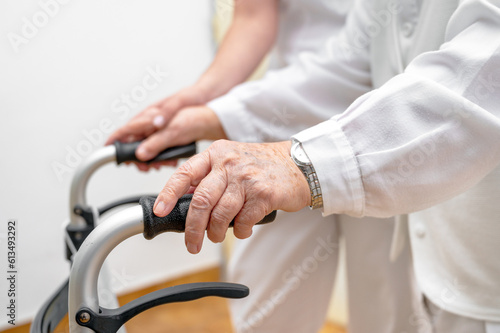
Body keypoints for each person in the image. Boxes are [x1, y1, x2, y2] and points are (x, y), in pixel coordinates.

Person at [151, 0, 500, 332]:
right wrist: (216, 115)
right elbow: (350, 64)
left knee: (393, 302)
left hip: (467, 231)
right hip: (332, 134)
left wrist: (301, 166)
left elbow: (482, 75)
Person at [107, 1, 420, 332]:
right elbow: (253, 15)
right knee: (267, 304)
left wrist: (215, 115)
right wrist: (202, 100)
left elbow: (358, 64)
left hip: (384, 124)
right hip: (285, 113)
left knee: (387, 299)